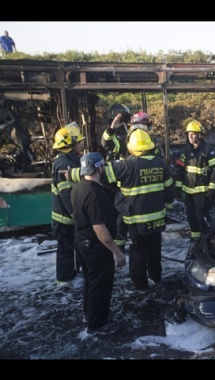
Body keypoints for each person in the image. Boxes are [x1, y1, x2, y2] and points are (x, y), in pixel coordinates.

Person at [99, 129, 174, 293]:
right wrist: (167, 208)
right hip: (158, 218)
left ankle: (140, 285)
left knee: (138, 250)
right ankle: (155, 277)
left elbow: (100, 174)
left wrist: (72, 174)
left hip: (137, 220)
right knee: (155, 248)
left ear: (131, 147)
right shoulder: (161, 163)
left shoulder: (128, 165)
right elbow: (170, 191)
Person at [70, 152, 126, 336]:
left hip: (81, 243)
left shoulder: (78, 188)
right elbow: (99, 228)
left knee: (91, 281)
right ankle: (97, 324)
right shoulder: (95, 193)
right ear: (99, 168)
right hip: (95, 246)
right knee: (100, 284)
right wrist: (116, 251)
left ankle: (89, 314)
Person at [101, 110, 155, 254]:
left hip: (146, 192)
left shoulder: (152, 145)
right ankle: (119, 250)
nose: (140, 129)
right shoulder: (126, 143)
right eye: (137, 125)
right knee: (122, 222)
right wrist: (112, 128)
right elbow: (106, 143)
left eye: (143, 125)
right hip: (127, 192)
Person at [174, 118, 215, 241]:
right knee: (192, 218)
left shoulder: (208, 149)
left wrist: (213, 188)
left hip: (202, 192)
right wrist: (178, 189)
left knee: (202, 218)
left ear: (200, 135)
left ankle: (207, 241)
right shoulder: (185, 151)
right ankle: (196, 242)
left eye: (193, 133)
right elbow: (180, 171)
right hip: (189, 193)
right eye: (189, 134)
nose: (190, 136)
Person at [51, 122, 86, 285]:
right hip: (65, 220)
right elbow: (68, 196)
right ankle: (64, 280)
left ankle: (71, 274)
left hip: (67, 218)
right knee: (66, 250)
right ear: (69, 145)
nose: (81, 144)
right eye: (78, 142)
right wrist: (78, 216)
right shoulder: (65, 164)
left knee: (71, 249)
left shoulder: (68, 160)